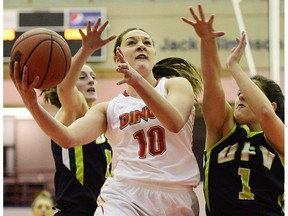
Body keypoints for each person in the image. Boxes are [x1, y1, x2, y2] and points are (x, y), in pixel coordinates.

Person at [10, 23, 203, 215]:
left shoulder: (175, 86)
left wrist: (138, 81)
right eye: (132, 42)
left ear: (154, 56)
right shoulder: (109, 108)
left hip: (176, 194)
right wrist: (32, 104)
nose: (141, 45)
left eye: (147, 43)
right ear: (117, 57)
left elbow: (175, 122)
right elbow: (66, 138)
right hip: (125, 194)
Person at [182, 4, 284, 215]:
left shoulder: (280, 140)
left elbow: (265, 113)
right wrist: (207, 43)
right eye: (238, 93)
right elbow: (212, 87)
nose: (240, 96)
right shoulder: (222, 133)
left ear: (272, 104)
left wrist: (234, 66)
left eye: (248, 91)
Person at [39, 18, 115, 215]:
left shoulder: (99, 117)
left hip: (102, 208)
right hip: (76, 210)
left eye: (93, 77)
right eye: (82, 77)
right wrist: (86, 50)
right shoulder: (73, 112)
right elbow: (65, 87)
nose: (91, 80)